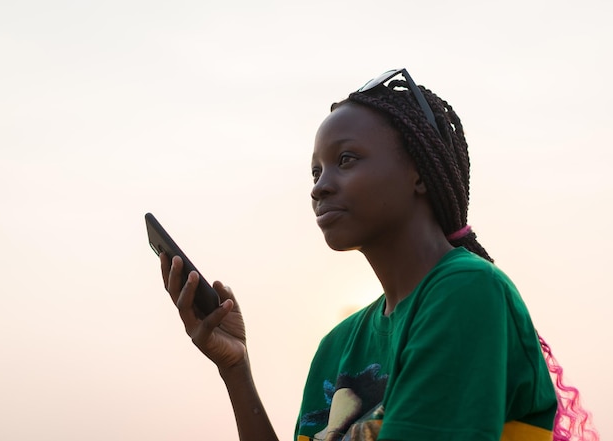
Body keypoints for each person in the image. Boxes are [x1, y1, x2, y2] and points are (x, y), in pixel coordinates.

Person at [158, 68, 598, 441]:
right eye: (316, 170)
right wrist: (236, 368)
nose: (319, 186)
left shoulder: (466, 292)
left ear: (419, 175)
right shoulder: (338, 345)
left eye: (346, 159)